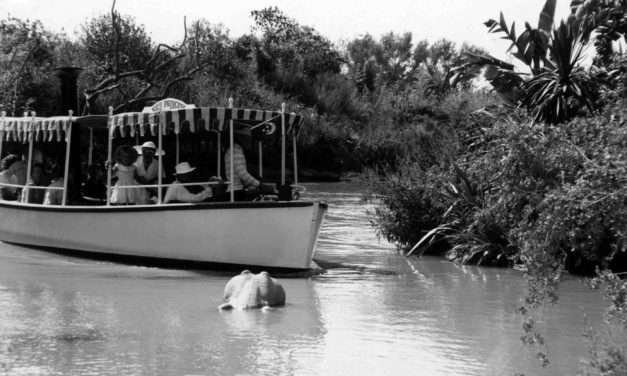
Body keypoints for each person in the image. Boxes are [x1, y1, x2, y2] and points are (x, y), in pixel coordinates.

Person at [224, 130, 260, 201]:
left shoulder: (235, 150)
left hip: (236, 189)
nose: (250, 142)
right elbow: (242, 173)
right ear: (241, 139)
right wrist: (259, 184)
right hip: (236, 191)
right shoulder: (235, 151)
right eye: (248, 139)